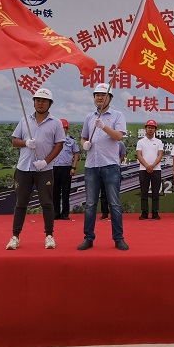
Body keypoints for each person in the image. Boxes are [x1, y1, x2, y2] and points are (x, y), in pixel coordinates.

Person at [4, 88, 64, 250]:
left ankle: (49, 235)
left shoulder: (56, 123)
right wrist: (25, 143)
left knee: (47, 203)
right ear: (34, 102)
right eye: (38, 100)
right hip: (24, 168)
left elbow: (59, 145)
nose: (40, 103)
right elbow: (14, 141)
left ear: (50, 104)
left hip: (44, 169)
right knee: (21, 204)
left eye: (44, 100)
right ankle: (15, 236)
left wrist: (45, 162)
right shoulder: (24, 120)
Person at [78, 83, 129, 251]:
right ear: (94, 98)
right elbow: (83, 137)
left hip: (110, 165)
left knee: (114, 203)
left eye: (103, 95)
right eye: (97, 95)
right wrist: (84, 144)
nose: (100, 97)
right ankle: (88, 238)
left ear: (110, 98)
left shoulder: (117, 115)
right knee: (90, 204)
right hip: (91, 165)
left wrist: (103, 126)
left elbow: (119, 136)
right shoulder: (89, 117)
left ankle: (118, 238)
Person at [52, 118, 79, 221]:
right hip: (54, 167)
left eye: (64, 128)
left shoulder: (71, 141)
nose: (62, 130)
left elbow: (76, 154)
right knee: (55, 191)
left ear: (67, 129)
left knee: (66, 191)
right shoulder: (53, 141)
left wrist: (74, 167)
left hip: (66, 168)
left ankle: (65, 213)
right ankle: (55, 213)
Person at [136, 119, 164, 220]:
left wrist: (152, 166)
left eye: (152, 128)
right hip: (143, 170)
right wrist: (147, 166)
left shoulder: (159, 142)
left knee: (155, 193)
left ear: (155, 130)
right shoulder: (140, 142)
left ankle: (155, 212)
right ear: (145, 129)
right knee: (144, 192)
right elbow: (139, 155)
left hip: (156, 170)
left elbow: (160, 155)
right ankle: (144, 213)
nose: (150, 129)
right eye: (149, 128)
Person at [100, 141, 126, 219]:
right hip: (103, 168)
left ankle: (115, 213)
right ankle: (105, 213)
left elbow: (122, 156)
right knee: (103, 192)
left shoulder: (120, 144)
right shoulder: (103, 142)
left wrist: (116, 163)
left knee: (115, 192)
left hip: (115, 169)